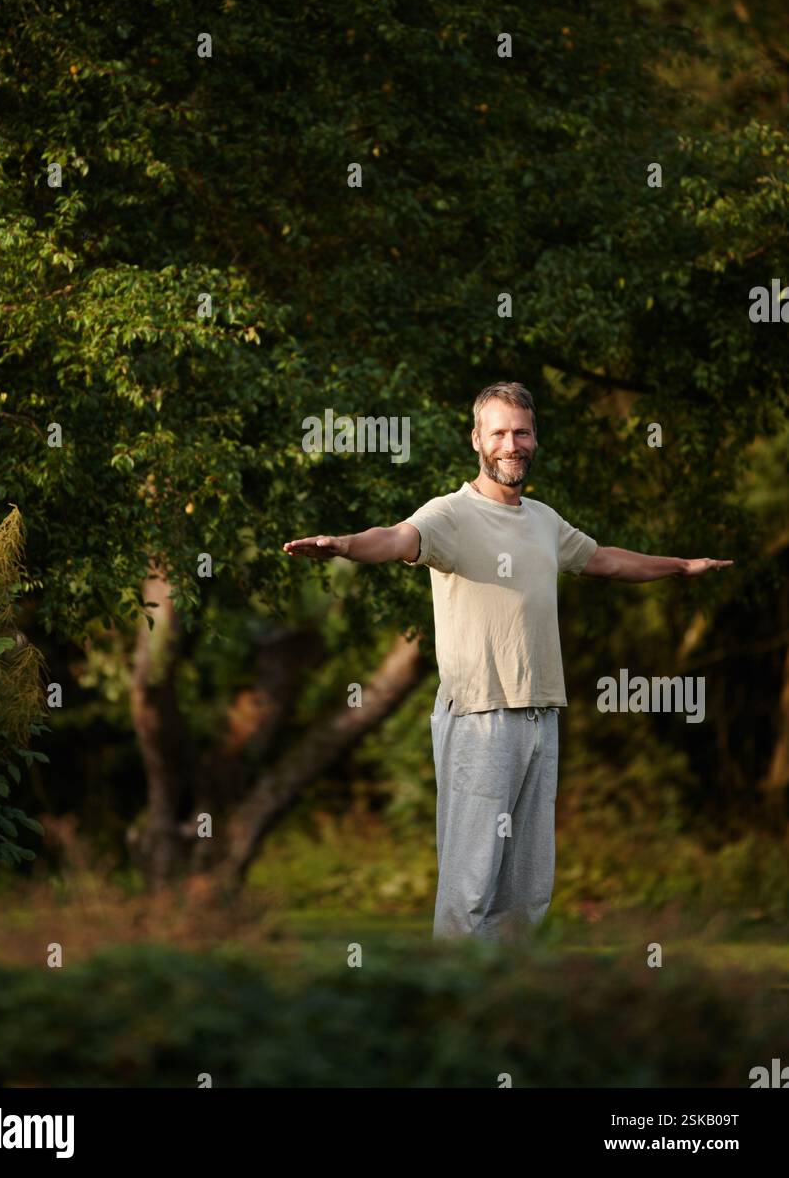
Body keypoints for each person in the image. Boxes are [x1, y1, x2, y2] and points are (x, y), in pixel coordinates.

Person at [282, 381, 732, 943]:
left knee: (527, 890)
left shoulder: (544, 521)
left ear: (534, 438)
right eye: (498, 432)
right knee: (470, 885)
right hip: (480, 716)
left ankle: (504, 1006)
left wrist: (680, 565)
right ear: (477, 439)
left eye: (521, 432)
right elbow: (396, 539)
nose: (511, 444)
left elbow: (607, 561)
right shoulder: (449, 514)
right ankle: (449, 1002)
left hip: (541, 715)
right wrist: (346, 545)